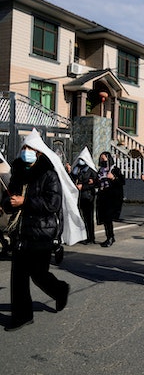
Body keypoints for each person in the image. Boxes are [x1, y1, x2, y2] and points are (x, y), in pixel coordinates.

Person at [2, 129, 86, 331]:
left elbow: (53, 204)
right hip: (21, 231)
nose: (25, 152)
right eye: (24, 148)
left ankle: (60, 290)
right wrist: (8, 203)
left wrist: (25, 201)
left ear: (38, 152)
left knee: (39, 274)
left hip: (42, 231)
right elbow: (9, 198)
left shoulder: (49, 174)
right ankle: (22, 316)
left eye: (29, 149)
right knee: (18, 275)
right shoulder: (18, 173)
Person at [69, 147, 98, 244]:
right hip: (78, 196)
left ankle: (90, 237)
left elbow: (95, 183)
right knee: (80, 217)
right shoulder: (77, 168)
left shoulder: (91, 170)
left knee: (88, 217)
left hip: (88, 196)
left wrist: (84, 186)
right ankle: (81, 236)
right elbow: (72, 178)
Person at [96, 151, 125, 247]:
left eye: (104, 159)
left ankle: (110, 237)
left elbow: (122, 181)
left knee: (108, 218)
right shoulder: (100, 170)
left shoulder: (114, 169)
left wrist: (113, 178)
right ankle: (109, 236)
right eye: (101, 159)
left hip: (111, 197)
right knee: (104, 219)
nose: (102, 161)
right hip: (102, 196)